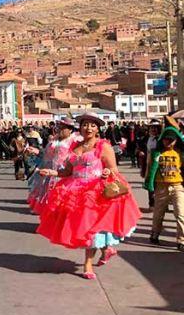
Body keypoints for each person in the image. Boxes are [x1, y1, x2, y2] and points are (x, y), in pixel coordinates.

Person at [36, 114, 141, 279]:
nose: (88, 128)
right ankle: (107, 250)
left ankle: (88, 264)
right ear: (80, 127)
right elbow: (67, 172)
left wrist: (107, 172)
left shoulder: (103, 146)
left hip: (95, 192)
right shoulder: (75, 147)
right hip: (73, 191)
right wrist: (51, 172)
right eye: (85, 125)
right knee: (86, 229)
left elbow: (114, 169)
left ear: (98, 128)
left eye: (92, 125)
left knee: (89, 230)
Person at [144, 125, 184, 250]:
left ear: (176, 140)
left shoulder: (180, 153)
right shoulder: (157, 152)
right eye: (166, 139)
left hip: (177, 186)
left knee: (181, 214)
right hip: (161, 187)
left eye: (171, 139)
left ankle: (181, 240)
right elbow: (150, 169)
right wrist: (149, 185)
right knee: (158, 214)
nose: (168, 141)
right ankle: (154, 234)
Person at [27, 118, 77, 214]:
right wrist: (36, 151)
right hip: (49, 173)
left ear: (70, 130)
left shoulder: (74, 141)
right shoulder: (54, 140)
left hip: (64, 174)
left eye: (63, 128)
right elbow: (45, 154)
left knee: (61, 200)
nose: (59, 129)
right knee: (47, 199)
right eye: (59, 127)